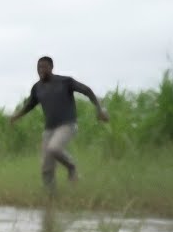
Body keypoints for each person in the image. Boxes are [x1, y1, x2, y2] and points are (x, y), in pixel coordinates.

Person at [10, 56, 108, 189]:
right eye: (38, 68)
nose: (41, 70)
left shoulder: (65, 81)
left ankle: (71, 167)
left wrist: (99, 108)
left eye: (44, 67)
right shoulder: (37, 87)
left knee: (54, 148)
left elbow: (87, 91)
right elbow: (30, 105)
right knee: (46, 167)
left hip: (67, 125)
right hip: (49, 129)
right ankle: (51, 199)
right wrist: (17, 116)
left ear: (51, 67)